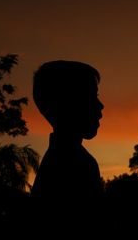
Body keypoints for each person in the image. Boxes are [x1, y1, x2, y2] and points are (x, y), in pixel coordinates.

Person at [31, 60, 104, 201]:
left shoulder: (58, 160)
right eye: (91, 97)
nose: (101, 105)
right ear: (68, 104)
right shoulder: (76, 165)